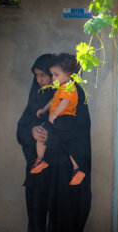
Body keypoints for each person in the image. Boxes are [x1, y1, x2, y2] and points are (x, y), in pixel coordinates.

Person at [31, 53, 85, 186]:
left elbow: (64, 103)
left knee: (62, 140)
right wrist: (44, 109)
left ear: (69, 74)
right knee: (58, 139)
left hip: (65, 118)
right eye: (52, 74)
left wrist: (54, 115)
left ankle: (42, 159)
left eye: (55, 75)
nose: (53, 78)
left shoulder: (69, 87)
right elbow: (54, 100)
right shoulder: (61, 88)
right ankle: (75, 168)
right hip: (61, 119)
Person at [17, 54, 55, 232]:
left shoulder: (67, 98)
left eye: (43, 75)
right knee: (36, 223)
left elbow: (75, 132)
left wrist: (51, 135)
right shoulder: (35, 99)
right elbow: (21, 130)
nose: (39, 80)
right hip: (36, 175)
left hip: (59, 175)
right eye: (36, 75)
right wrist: (32, 132)